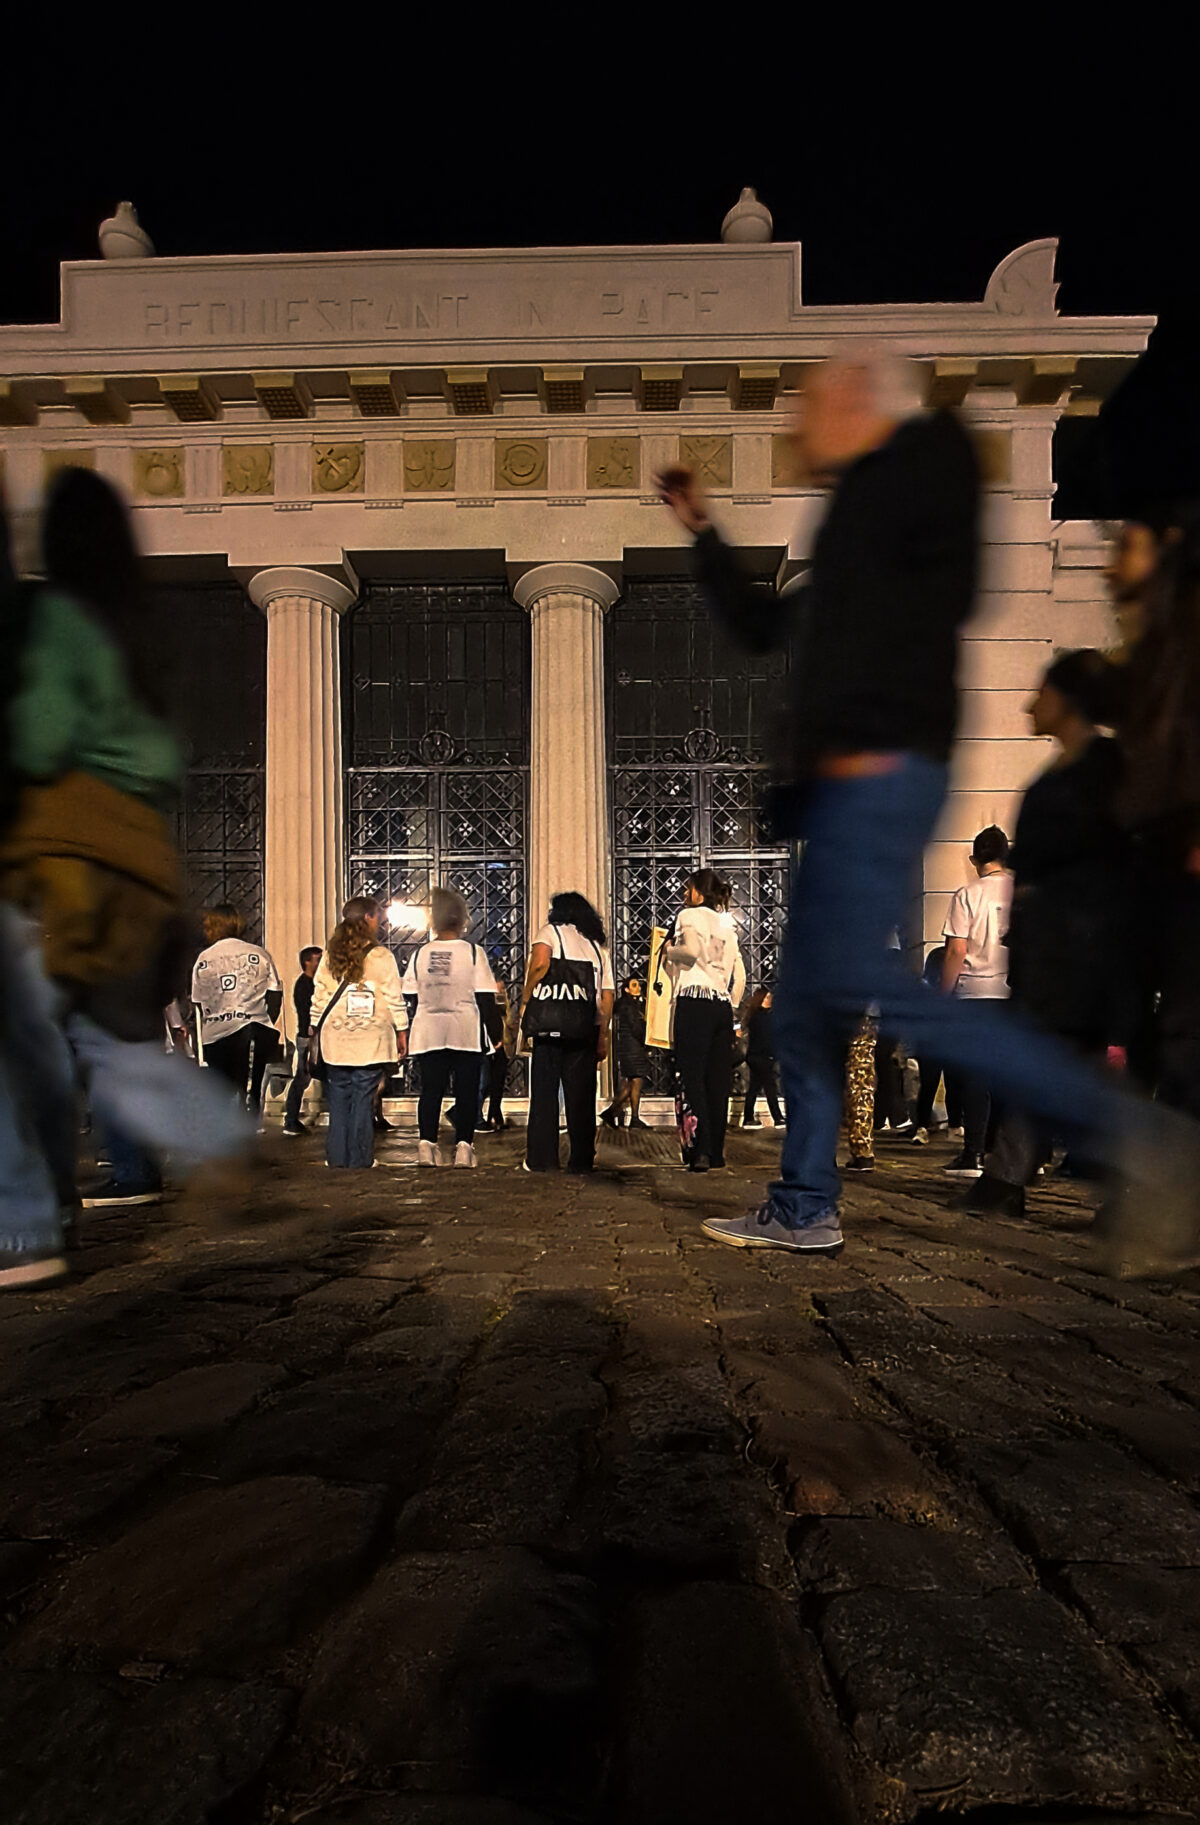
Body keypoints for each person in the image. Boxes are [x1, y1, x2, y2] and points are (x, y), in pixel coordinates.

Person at [658, 346, 1196, 1266]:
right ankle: (803, 1202)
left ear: (859, 404)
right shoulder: (861, 521)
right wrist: (704, 530)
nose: (794, 425)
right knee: (810, 1011)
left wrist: (853, 738)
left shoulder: (906, 486)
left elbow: (931, 596)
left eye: (809, 406)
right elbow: (762, 627)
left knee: (885, 998)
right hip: (849, 787)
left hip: (874, 778)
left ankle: (1146, 1143)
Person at [1, 471, 250, 1283]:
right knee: (88, 1037)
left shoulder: (55, 623)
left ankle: (26, 1222)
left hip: (68, 860)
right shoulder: (137, 632)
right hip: (141, 861)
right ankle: (219, 1134)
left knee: (27, 1033)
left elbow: (39, 738)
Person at [967, 650, 1131, 1217]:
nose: (1029, 704)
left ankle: (1016, 1179)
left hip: (1084, 946)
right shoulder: (1060, 776)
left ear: (1065, 701)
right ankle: (1011, 1178)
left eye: (1041, 692)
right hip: (1053, 949)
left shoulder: (1106, 770)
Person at [402, 887, 501, 1168]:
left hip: (428, 1030)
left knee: (430, 1090)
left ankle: (426, 1144)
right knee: (467, 1091)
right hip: (465, 1031)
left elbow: (409, 993)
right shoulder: (472, 953)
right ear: (461, 920)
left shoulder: (421, 954)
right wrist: (496, 1035)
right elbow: (485, 997)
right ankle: (464, 1147)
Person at [519, 891, 614, 1174]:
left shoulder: (550, 933)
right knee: (582, 1097)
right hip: (583, 1028)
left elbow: (539, 964)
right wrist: (602, 1035)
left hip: (551, 1028)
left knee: (545, 1094)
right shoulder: (597, 947)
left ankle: (542, 1159)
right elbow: (606, 998)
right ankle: (582, 1159)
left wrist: (526, 998)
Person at [311, 897, 406, 1169]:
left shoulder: (330, 956)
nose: (380, 922)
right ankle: (360, 1158)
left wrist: (314, 1026)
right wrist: (402, 1030)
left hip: (336, 1038)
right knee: (363, 1100)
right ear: (367, 918)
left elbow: (319, 997)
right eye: (377, 916)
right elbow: (393, 997)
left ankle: (337, 1157)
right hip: (370, 1039)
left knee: (339, 1101)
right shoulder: (381, 957)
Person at [940, 827, 1014, 1178]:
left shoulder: (967, 895)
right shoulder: (1019, 892)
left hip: (974, 992)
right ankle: (1006, 1152)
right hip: (1012, 992)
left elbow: (956, 950)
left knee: (975, 1077)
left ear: (974, 860)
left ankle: (974, 1153)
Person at [663, 869, 746, 1173]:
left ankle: (699, 1151)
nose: (685, 894)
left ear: (698, 891)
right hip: (721, 1006)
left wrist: (669, 952)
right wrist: (731, 1005)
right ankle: (717, 1152)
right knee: (717, 1080)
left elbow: (691, 950)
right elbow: (742, 976)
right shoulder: (727, 926)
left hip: (694, 1000)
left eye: (688, 888)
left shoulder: (689, 915)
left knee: (692, 1075)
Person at [191, 906, 282, 1119]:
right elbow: (275, 995)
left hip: (217, 1033)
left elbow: (197, 1001)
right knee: (251, 1088)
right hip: (254, 1029)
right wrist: (265, 1020)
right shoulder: (259, 954)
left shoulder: (204, 959)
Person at [909, 946, 962, 1145]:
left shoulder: (923, 990)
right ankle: (954, 1126)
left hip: (929, 1042)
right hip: (949, 1041)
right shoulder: (956, 991)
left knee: (928, 1085)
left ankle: (922, 1127)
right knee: (953, 1084)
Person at [601, 975, 652, 1129]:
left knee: (634, 1082)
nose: (639, 988)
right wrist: (647, 1038)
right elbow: (636, 1028)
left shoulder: (629, 1005)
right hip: (632, 1048)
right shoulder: (629, 1006)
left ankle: (632, 1117)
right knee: (634, 1082)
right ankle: (613, 1112)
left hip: (630, 1048)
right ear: (627, 989)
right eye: (634, 985)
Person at [281, 945, 322, 1136]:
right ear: (308, 962)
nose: (320, 963)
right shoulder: (304, 984)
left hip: (311, 1036)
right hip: (308, 1037)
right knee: (302, 1077)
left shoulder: (313, 983)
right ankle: (290, 1119)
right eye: (317, 959)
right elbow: (304, 1009)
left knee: (305, 1077)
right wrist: (309, 1029)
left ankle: (291, 1119)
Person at [742, 986, 784, 1129]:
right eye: (766, 997)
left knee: (754, 1087)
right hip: (762, 1057)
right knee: (770, 1087)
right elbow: (766, 1039)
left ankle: (748, 1118)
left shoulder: (755, 1016)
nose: (769, 1000)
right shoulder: (763, 1017)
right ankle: (777, 1118)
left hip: (755, 1056)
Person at [480, 974, 516, 1132]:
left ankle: (495, 1115)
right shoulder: (487, 1002)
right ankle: (491, 1115)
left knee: (497, 1083)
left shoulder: (502, 1003)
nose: (501, 992)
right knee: (488, 1082)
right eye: (498, 989)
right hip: (492, 1046)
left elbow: (508, 1019)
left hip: (502, 1045)